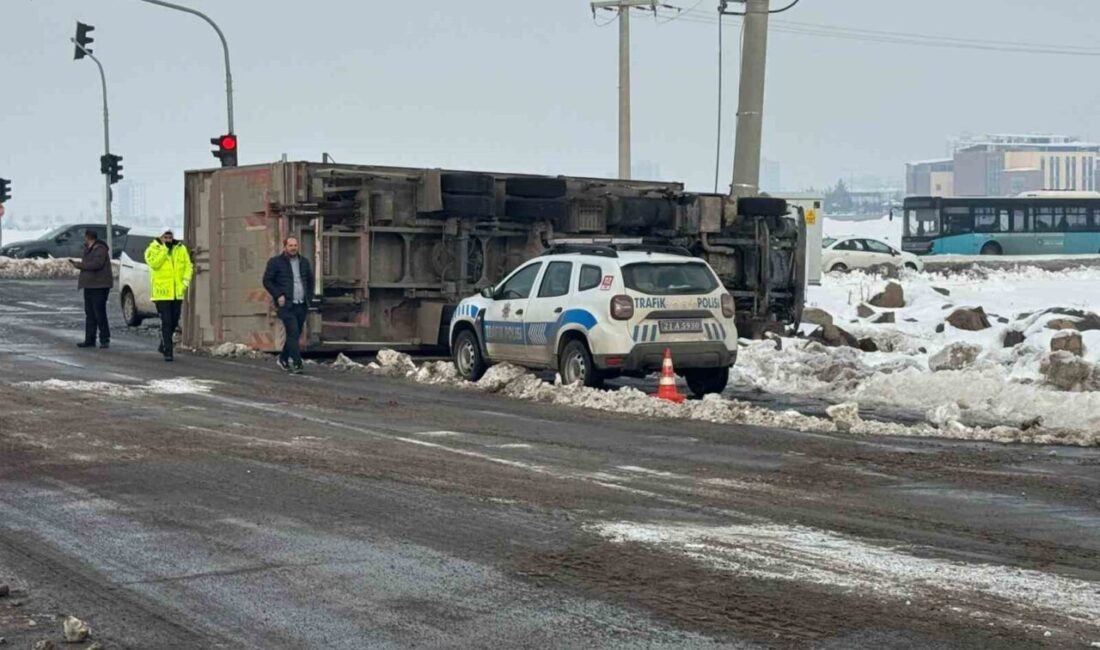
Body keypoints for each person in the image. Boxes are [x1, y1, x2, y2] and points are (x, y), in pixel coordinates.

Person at [262, 236, 314, 373]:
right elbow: (267, 281)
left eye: (295, 245)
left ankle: (283, 358)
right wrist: (278, 295)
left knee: (295, 334)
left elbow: (310, 280)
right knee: (293, 331)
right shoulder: (275, 262)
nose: (293, 248)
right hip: (286, 305)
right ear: (285, 247)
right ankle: (297, 363)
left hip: (301, 304)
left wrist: (309, 297)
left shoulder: (304, 262)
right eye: (290, 245)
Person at [144, 229, 193, 362]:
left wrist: (185, 282)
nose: (168, 239)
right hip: (162, 293)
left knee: (174, 321)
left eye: (170, 237)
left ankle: (163, 344)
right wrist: (164, 250)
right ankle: (168, 351)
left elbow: (188, 266)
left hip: (177, 292)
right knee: (166, 321)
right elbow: (155, 264)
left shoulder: (181, 248)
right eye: (165, 237)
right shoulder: (152, 249)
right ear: (160, 237)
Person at [70, 230, 112, 349]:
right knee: (90, 313)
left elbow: (96, 264)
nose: (84, 240)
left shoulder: (100, 249)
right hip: (89, 285)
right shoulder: (89, 249)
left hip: (99, 286)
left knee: (99, 313)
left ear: (88, 237)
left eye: (85, 237)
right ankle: (90, 339)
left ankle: (104, 339)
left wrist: (80, 265)